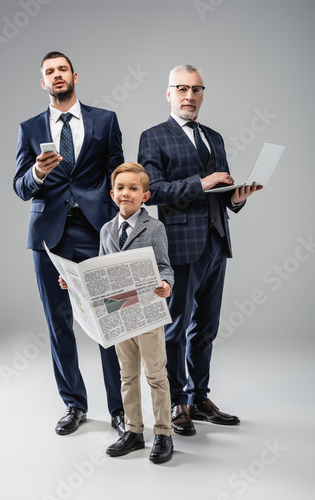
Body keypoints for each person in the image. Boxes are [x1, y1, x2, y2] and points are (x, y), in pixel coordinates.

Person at [138, 64, 262, 436]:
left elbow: (218, 194)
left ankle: (199, 397)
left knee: (205, 328)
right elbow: (153, 191)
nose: (190, 96)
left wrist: (236, 199)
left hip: (215, 242)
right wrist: (201, 182)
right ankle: (177, 401)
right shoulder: (153, 136)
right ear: (169, 93)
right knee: (175, 329)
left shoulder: (214, 137)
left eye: (196, 89)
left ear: (202, 94)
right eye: (182, 88)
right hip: (178, 246)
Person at [13, 51, 125, 437]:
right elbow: (19, 187)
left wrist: (123, 224)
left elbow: (118, 174)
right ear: (43, 83)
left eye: (62, 69)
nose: (56, 75)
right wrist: (36, 173)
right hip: (49, 237)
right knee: (59, 323)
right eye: (49, 72)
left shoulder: (105, 120)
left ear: (74, 75)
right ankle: (74, 405)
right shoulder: (29, 128)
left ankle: (120, 409)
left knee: (109, 320)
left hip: (97, 231)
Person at [86, 162, 174, 463]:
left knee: (156, 375)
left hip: (147, 314)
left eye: (133, 188)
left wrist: (165, 283)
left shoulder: (155, 228)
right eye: (121, 188)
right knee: (127, 375)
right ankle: (134, 431)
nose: (126, 193)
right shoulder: (106, 230)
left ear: (145, 195)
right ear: (112, 194)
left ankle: (164, 433)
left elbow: (165, 266)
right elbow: (99, 271)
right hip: (119, 315)